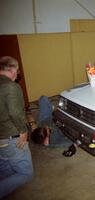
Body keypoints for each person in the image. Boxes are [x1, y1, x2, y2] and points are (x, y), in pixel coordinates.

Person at [0, 56, 34, 198]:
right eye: (18, 70)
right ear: (12, 69)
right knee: (26, 173)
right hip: (11, 137)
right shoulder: (11, 87)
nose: (18, 74)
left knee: (6, 168)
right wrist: (23, 131)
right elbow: (15, 113)